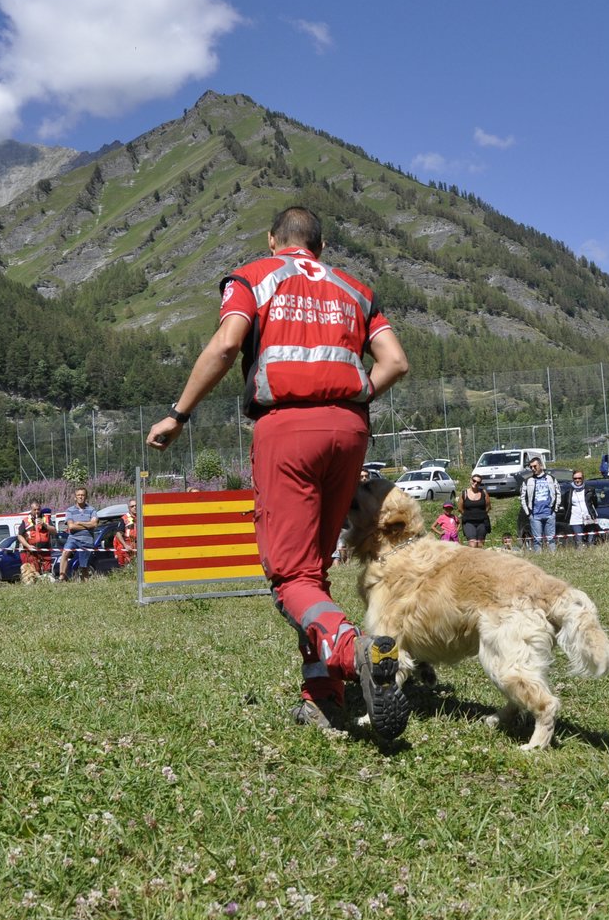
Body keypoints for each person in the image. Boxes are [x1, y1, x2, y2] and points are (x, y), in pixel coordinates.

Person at [144, 204, 411, 740]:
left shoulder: (255, 275)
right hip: (350, 429)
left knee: (289, 573)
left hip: (288, 430)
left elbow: (225, 344)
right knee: (312, 567)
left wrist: (179, 414)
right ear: (321, 246)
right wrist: (354, 395)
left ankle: (346, 644)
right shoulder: (355, 289)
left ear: (273, 240)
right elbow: (396, 362)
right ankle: (322, 695)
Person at [520, 456, 559, 552]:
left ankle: (553, 558)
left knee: (551, 539)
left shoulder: (551, 478)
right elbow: (522, 498)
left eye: (535, 466)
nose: (533, 469)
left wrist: (555, 509)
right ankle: (539, 558)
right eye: (531, 467)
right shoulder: (528, 481)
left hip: (549, 514)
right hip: (535, 515)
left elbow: (558, 494)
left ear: (541, 465)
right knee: (537, 540)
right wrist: (528, 513)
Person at [62, 488, 98, 582]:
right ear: (75, 497)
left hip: (87, 540)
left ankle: (85, 584)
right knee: (65, 553)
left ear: (86, 497)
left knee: (84, 565)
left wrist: (79, 523)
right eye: (78, 495)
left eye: (82, 495)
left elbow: (94, 524)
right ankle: (62, 577)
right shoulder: (70, 510)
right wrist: (87, 525)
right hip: (73, 538)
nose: (80, 497)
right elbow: (71, 527)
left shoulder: (92, 510)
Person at [17, 502, 55, 585]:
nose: (37, 511)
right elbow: (19, 536)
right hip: (31, 552)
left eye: (38, 509)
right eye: (35, 510)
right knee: (32, 574)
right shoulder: (26, 520)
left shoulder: (46, 519)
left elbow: (54, 531)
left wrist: (44, 524)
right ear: (31, 510)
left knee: (47, 573)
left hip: (45, 551)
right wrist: (28, 546)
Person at [560, 470, 600, 546]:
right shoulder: (569, 492)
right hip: (575, 519)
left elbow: (595, 503)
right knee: (579, 541)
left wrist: (592, 513)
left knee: (591, 540)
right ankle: (580, 555)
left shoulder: (590, 490)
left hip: (589, 518)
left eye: (579, 478)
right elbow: (566, 505)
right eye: (575, 478)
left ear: (583, 478)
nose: (577, 480)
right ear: (573, 479)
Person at [459, 473, 491, 548]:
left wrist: (481, 514)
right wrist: (468, 515)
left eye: (478, 482)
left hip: (482, 521)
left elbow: (488, 507)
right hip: (468, 522)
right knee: (472, 544)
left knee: (480, 545)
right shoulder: (464, 493)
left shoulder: (484, 492)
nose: (475, 483)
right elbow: (460, 508)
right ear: (470, 480)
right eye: (474, 480)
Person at [113, 502, 138, 568]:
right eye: (132, 506)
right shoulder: (124, 518)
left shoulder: (142, 517)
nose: (135, 507)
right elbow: (118, 533)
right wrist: (125, 545)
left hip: (140, 546)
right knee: (129, 568)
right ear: (129, 508)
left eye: (136, 505)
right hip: (128, 547)